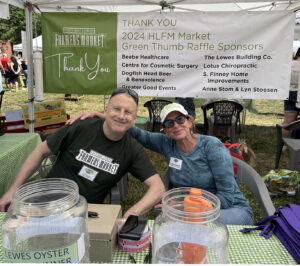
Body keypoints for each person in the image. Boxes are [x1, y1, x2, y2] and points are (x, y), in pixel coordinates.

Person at [67, 103, 253, 225]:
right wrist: (102, 115)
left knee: (188, 226)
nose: (176, 125)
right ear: (165, 130)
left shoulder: (211, 146)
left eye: (180, 119)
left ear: (189, 121)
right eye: (169, 123)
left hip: (230, 210)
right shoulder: (167, 144)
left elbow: (227, 195)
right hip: (192, 211)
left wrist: (184, 208)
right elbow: (137, 133)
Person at [0, 88, 165, 218]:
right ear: (106, 110)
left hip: (82, 213)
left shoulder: (132, 149)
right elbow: (40, 152)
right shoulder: (81, 126)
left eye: (128, 112)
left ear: (135, 119)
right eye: (116, 109)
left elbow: (158, 187)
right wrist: (13, 190)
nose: (121, 116)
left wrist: (131, 215)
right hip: (46, 200)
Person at [282, 48, 300, 138]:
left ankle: (285, 145)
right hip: (299, 94)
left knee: (287, 122)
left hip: (289, 93)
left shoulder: (289, 65)